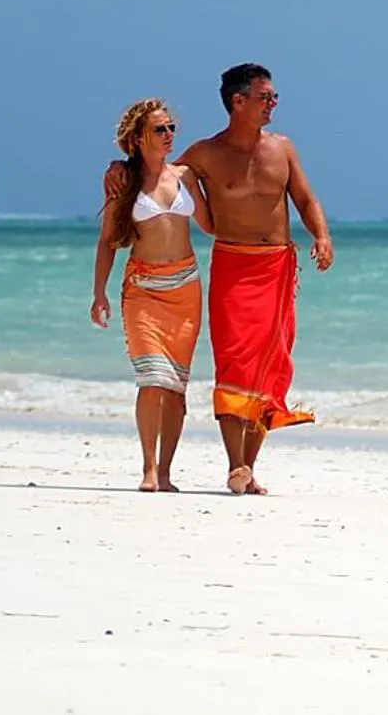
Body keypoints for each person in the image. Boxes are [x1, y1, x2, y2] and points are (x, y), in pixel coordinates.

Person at [105, 62, 334, 495]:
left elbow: (304, 197)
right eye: (266, 97)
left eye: (274, 97)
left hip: (278, 267)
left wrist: (321, 235)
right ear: (238, 101)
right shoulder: (205, 154)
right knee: (234, 360)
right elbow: (157, 170)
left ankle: (248, 466)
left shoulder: (282, 148)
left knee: (269, 366)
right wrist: (120, 166)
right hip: (232, 263)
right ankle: (234, 464)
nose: (273, 104)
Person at [91, 98, 211, 492]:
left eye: (171, 127)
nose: (169, 135)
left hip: (186, 289)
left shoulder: (185, 176)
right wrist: (99, 294)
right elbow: (108, 241)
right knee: (151, 379)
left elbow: (212, 224)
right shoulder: (122, 181)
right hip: (143, 289)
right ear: (139, 138)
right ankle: (146, 468)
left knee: (176, 387)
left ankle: (165, 472)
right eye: (160, 129)